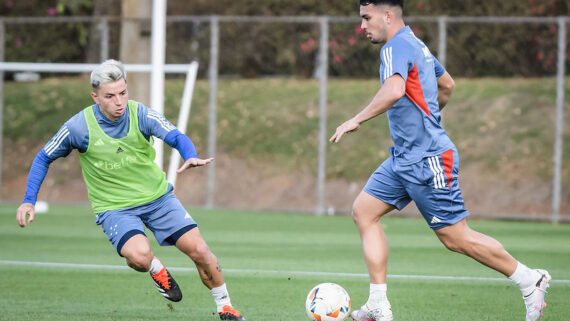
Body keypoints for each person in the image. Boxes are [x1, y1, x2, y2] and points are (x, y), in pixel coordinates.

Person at [330, 1, 550, 321]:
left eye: (366, 18)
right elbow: (447, 84)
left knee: (455, 238)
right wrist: (430, 119)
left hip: (428, 158)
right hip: (404, 157)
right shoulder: (416, 43)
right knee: (364, 211)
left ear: (387, 16)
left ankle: (530, 280)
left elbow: (393, 90)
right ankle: (378, 303)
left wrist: (356, 119)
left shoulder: (394, 47)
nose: (362, 26)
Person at [16, 59, 245, 321]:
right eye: (110, 96)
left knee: (200, 251)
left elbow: (176, 136)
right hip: (115, 209)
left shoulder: (141, 114)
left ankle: (225, 307)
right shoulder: (78, 127)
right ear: (95, 97)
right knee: (139, 256)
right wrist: (28, 201)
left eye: (123, 93)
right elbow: (43, 157)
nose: (119, 102)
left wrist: (189, 154)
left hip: (158, 199)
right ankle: (155, 268)